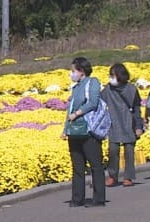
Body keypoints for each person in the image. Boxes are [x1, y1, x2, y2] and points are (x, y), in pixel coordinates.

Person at [61, 57, 106, 207]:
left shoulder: (92, 83)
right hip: (74, 130)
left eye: (73, 71)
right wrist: (65, 129)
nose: (71, 74)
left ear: (81, 71)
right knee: (77, 166)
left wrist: (78, 113)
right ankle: (77, 198)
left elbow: (93, 102)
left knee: (95, 165)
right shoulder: (75, 88)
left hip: (88, 129)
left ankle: (99, 198)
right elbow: (69, 110)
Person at [101, 63, 144, 187]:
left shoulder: (131, 89)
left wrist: (138, 126)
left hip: (129, 123)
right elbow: (99, 102)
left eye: (113, 75)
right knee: (113, 150)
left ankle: (128, 177)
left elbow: (137, 108)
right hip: (114, 123)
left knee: (129, 151)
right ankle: (112, 176)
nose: (111, 78)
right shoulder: (108, 90)